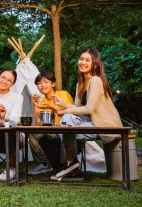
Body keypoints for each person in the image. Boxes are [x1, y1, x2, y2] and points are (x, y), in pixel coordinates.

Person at [51, 48, 123, 181]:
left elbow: (89, 109)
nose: (82, 62)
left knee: (66, 126)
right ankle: (72, 166)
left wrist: (65, 111)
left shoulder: (95, 80)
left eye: (87, 60)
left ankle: (70, 165)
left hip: (105, 125)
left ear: (95, 64)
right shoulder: (80, 83)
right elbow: (78, 108)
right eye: (81, 59)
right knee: (66, 126)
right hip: (89, 122)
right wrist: (63, 104)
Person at [31, 71, 74, 175]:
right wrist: (36, 105)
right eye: (39, 83)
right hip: (50, 132)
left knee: (45, 135)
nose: (42, 85)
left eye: (45, 82)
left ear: (53, 84)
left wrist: (52, 107)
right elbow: (39, 125)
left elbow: (70, 115)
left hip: (64, 132)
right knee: (32, 133)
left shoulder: (62, 94)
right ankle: (44, 163)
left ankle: (56, 166)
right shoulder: (42, 101)